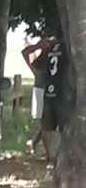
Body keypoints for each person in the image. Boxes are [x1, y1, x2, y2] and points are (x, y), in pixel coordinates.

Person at [41, 32, 69, 165]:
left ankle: (50, 158)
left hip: (49, 89)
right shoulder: (69, 47)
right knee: (65, 127)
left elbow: (37, 65)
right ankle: (60, 156)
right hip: (63, 92)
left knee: (47, 127)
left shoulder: (50, 47)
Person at [22, 36, 52, 156]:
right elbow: (25, 52)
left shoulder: (55, 60)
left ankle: (34, 143)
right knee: (44, 123)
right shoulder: (39, 62)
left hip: (48, 92)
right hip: (40, 92)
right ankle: (48, 154)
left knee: (46, 123)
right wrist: (38, 46)